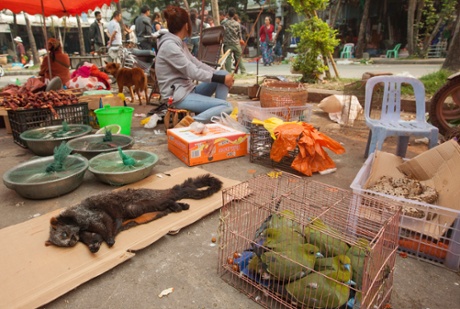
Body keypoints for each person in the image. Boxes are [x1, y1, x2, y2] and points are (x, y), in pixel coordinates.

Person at [156, 6, 234, 123]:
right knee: (226, 106)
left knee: (223, 73)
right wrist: (221, 79)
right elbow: (192, 71)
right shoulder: (170, 46)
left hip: (188, 90)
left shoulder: (179, 44)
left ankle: (217, 117)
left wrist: (222, 76)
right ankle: (191, 123)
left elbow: (196, 63)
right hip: (178, 96)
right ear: (187, 25)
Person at [222, 8, 246, 74]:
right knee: (239, 58)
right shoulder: (237, 24)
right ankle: (243, 72)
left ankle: (228, 72)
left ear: (227, 14)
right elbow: (239, 35)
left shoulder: (224, 23)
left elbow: (221, 33)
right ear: (234, 15)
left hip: (227, 44)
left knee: (228, 58)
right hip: (236, 43)